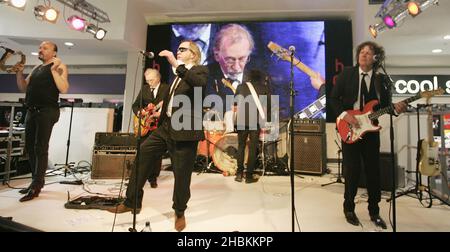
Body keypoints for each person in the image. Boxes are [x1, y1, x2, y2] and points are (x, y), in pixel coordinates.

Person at [108, 40, 208, 232]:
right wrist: (158, 113)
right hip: (166, 127)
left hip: (185, 129)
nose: (178, 51)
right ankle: (132, 201)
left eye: (182, 49)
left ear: (193, 54)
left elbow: (199, 84)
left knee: (181, 174)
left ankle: (179, 211)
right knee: (143, 153)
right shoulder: (177, 76)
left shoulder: (200, 70)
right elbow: (171, 101)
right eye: (177, 49)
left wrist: (173, 61)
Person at [329, 41, 407, 229]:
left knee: (374, 171)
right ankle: (349, 208)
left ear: (375, 58)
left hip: (371, 131)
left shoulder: (382, 80)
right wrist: (345, 115)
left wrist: (396, 109)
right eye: (361, 52)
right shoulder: (346, 74)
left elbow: (385, 107)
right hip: (349, 128)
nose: (363, 55)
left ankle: (374, 210)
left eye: (368, 53)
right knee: (352, 169)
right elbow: (332, 98)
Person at [15, 41, 69, 202]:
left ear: (54, 53)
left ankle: (37, 185)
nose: (40, 50)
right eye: (39, 47)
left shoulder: (59, 67)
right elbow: (24, 88)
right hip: (32, 110)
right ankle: (35, 181)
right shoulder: (36, 68)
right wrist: (19, 74)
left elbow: (64, 88)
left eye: (45, 48)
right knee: (29, 147)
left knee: (40, 147)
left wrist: (53, 70)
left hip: (47, 111)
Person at [131, 68, 169, 188]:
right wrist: (140, 112)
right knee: (142, 151)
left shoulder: (167, 89)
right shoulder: (145, 89)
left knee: (156, 154)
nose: (149, 83)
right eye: (147, 81)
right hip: (144, 125)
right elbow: (135, 105)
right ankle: (137, 177)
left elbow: (169, 105)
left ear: (158, 78)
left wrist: (160, 113)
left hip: (159, 126)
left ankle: (153, 178)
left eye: (151, 80)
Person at [206, 24, 255, 110]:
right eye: (230, 60)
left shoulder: (261, 80)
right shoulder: (204, 79)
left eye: (242, 59)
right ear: (216, 55)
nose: (237, 68)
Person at [234, 70, 270, 183]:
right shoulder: (264, 88)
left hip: (241, 121)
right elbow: (265, 107)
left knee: (241, 147)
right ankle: (249, 176)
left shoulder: (240, 87)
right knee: (253, 148)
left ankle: (239, 174)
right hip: (255, 121)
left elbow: (235, 107)